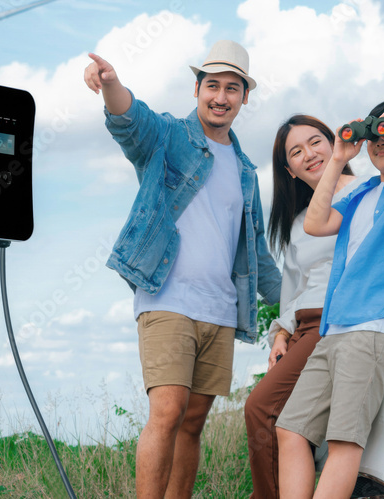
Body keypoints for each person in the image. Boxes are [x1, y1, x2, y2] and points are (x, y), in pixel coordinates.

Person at [83, 40, 282, 499]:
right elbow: (131, 121)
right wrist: (112, 86)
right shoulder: (171, 137)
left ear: (244, 97)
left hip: (221, 310)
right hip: (167, 299)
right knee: (168, 412)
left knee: (192, 424)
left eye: (232, 88)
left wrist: (300, 302)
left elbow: (256, 253)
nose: (221, 97)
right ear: (197, 88)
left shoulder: (247, 171)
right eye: (212, 85)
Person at [244, 114, 384, 498]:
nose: (308, 154)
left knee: (341, 437)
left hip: (375, 321)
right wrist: (339, 157)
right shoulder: (358, 195)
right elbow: (313, 232)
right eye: (296, 151)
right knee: (291, 428)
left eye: (315, 142)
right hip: (332, 326)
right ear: (286, 168)